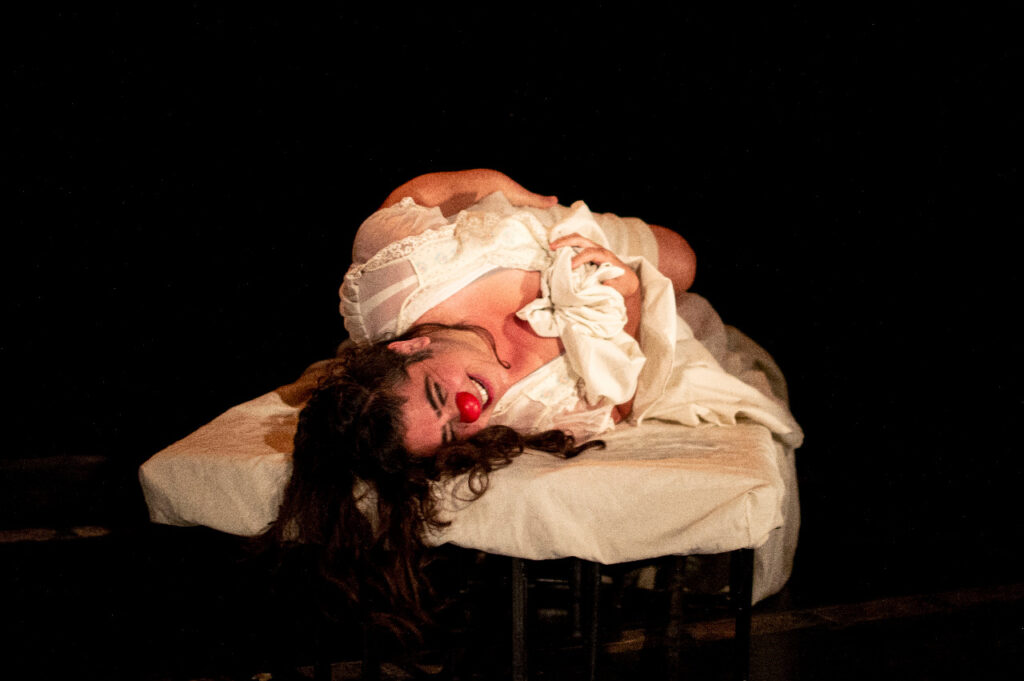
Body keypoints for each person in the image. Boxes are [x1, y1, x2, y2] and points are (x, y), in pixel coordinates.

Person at [264, 169, 802, 638]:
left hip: (542, 228)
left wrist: (511, 191)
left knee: (679, 254)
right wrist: (630, 294)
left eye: (437, 394)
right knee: (681, 266)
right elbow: (618, 401)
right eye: (452, 431)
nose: (468, 408)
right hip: (603, 278)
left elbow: (418, 196)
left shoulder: (399, 282)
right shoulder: (518, 411)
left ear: (407, 346)